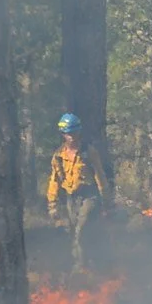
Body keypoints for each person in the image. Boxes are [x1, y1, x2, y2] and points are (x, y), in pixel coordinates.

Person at [45, 113, 107, 273]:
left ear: (79, 132)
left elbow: (99, 175)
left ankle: (81, 267)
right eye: (68, 133)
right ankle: (89, 261)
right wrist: (52, 204)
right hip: (71, 198)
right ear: (63, 134)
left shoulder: (88, 152)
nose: (71, 136)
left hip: (89, 196)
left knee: (81, 229)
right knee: (74, 232)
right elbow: (54, 181)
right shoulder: (58, 156)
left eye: (73, 132)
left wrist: (105, 199)